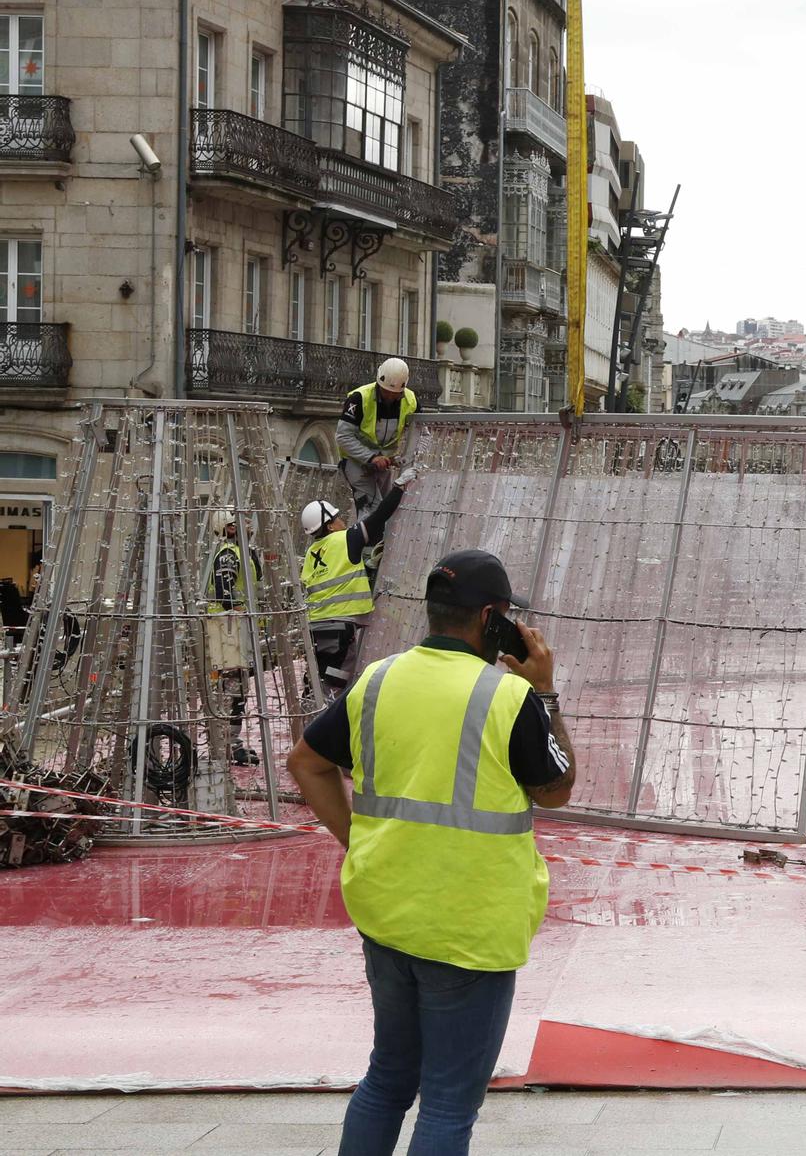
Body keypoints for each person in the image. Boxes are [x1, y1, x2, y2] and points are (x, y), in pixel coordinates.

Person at [287, 549, 576, 1156]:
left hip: (387, 912)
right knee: (447, 1103)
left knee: (388, 1078)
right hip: (469, 926)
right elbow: (558, 789)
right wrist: (544, 692)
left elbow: (307, 763)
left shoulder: (378, 678)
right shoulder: (508, 698)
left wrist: (359, 840)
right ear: (493, 618)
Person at [300, 467, 415, 698]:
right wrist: (399, 487)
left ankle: (306, 722)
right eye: (337, 518)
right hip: (338, 626)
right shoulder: (346, 538)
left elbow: (332, 578)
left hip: (315, 626)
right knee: (335, 682)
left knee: (316, 678)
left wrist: (368, 568)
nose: (343, 521)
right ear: (330, 525)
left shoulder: (312, 553)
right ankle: (322, 728)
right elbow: (379, 516)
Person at [201, 507, 261, 766]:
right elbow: (226, 593)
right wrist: (240, 612)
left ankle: (228, 742)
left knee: (235, 689)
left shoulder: (239, 551)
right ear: (230, 527)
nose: (248, 524)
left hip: (233, 630)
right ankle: (227, 743)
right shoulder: (228, 554)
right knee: (232, 689)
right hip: (228, 631)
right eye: (241, 521)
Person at [338, 358, 420, 520]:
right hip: (356, 462)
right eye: (386, 391)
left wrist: (405, 457)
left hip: (384, 463)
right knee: (373, 510)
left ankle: (373, 542)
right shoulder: (359, 398)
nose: (389, 396)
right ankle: (368, 543)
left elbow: (421, 434)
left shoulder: (411, 400)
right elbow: (343, 436)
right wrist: (372, 457)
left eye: (394, 393)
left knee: (389, 509)